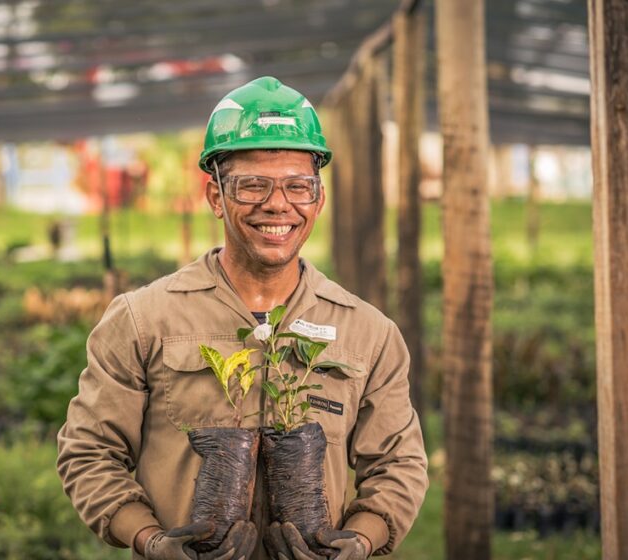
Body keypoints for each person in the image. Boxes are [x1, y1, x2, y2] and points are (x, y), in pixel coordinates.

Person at [57, 76, 428, 560]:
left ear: (318, 199)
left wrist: (359, 541)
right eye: (253, 185)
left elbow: (398, 463)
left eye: (298, 186)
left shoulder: (368, 332)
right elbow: (89, 452)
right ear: (215, 198)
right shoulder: (143, 319)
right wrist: (151, 541)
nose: (278, 204)